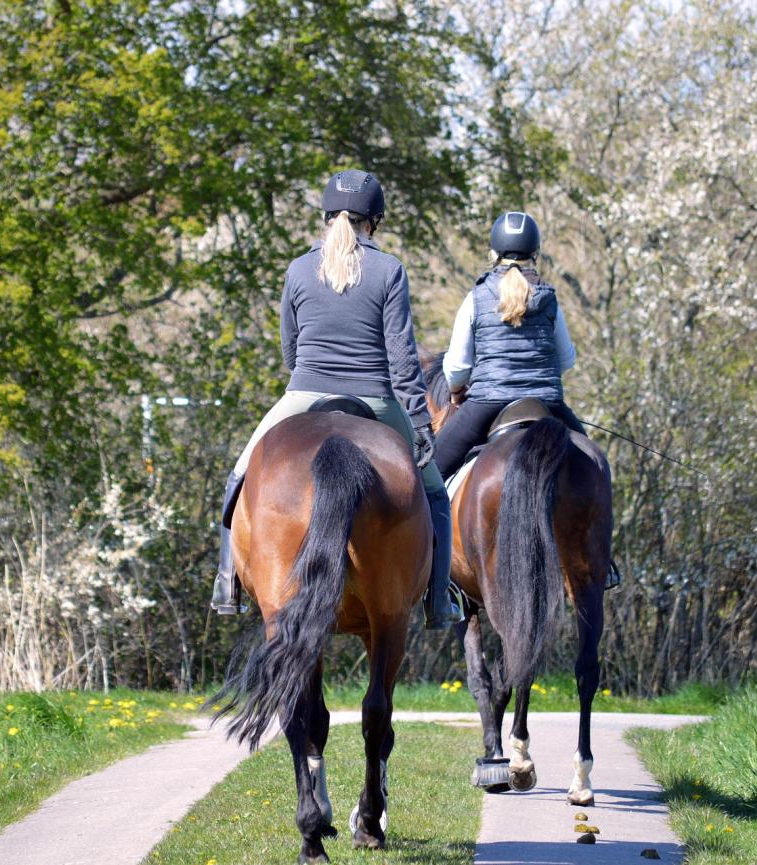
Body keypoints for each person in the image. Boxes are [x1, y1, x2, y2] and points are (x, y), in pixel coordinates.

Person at [210, 169, 463, 629]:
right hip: (378, 398)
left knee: (239, 476)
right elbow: (401, 355)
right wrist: (419, 421)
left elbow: (290, 347)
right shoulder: (389, 270)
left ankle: (227, 582)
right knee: (434, 494)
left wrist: (311, 373)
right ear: (376, 221)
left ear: (327, 217)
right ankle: (440, 598)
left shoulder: (299, 268)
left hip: (304, 392)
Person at [433, 210, 589, 482]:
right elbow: (566, 360)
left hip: (487, 403)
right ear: (535, 253)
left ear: (493, 253)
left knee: (430, 476)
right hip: (546, 402)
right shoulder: (549, 298)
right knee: (593, 468)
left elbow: (457, 367)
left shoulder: (477, 297)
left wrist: (457, 392)